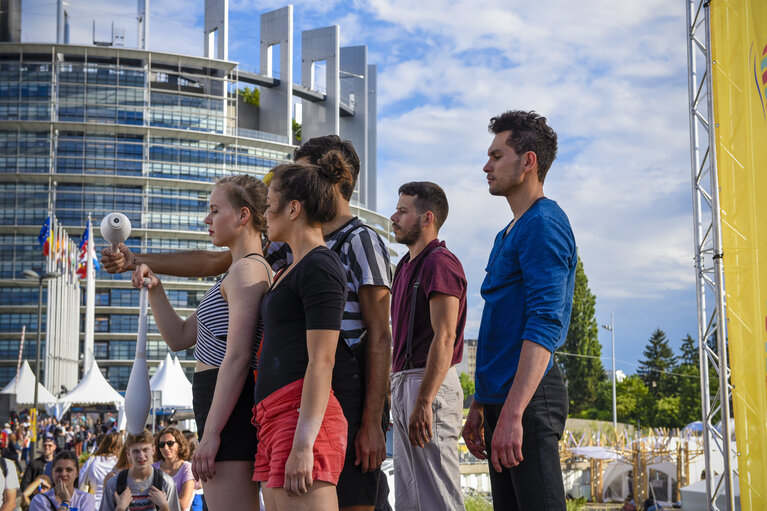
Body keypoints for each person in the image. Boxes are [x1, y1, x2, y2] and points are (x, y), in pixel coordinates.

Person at [103, 135, 393, 511]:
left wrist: (372, 422)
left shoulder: (340, 247)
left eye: (296, 176)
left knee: (354, 498)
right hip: (273, 404)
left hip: (325, 391)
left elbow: (374, 337)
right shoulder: (282, 256)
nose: (269, 210)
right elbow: (205, 273)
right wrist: (143, 266)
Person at [131, 174, 270, 511]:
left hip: (229, 408)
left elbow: (237, 357)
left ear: (243, 216)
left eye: (214, 210)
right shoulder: (236, 271)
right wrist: (156, 288)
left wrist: (211, 434)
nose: (207, 219)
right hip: (217, 402)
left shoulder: (247, 271)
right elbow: (179, 338)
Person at [462, 110, 576, 510]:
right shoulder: (507, 231)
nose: (486, 165)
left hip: (529, 398)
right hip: (502, 400)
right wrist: (480, 401)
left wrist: (512, 413)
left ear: (529, 162)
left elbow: (546, 321)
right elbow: (500, 322)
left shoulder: (544, 223)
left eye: (497, 155)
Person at [253, 154, 350, 510]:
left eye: (269, 206)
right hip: (274, 417)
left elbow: (322, 361)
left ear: (293, 209)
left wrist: (304, 443)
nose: (265, 215)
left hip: (300, 418)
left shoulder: (320, 265)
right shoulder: (291, 269)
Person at [388, 182, 466, 510]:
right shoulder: (404, 268)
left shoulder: (440, 263)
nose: (394, 216)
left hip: (428, 385)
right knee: (411, 498)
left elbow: (444, 337)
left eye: (403, 211)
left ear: (426, 219)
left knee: (438, 495)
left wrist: (424, 401)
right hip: (407, 382)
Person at [100, 429, 180, 511]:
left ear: (153, 450)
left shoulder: (166, 483)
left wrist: (164, 507)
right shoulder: (114, 484)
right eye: (136, 451)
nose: (141, 456)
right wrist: (120, 508)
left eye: (145, 450)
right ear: (128, 454)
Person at [29, 450, 96, 511]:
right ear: (52, 472)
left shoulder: (85, 499)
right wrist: (65, 503)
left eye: (69, 470)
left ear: (77, 473)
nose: (63, 474)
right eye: (58, 470)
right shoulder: (39, 500)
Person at [152, 427, 194, 511]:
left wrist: (161, 500)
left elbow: (182, 506)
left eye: (170, 443)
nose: (165, 448)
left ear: (179, 444)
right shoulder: (153, 468)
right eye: (161, 445)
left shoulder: (187, 468)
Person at [80, 431, 122, 508]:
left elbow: (82, 480)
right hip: (114, 505)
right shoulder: (120, 464)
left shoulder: (92, 461)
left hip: (94, 504)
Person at [21, 436, 57, 508]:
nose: (47, 447)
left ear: (54, 447)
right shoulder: (34, 463)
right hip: (36, 499)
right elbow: (25, 482)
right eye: (45, 445)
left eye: (50, 445)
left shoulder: (58, 464)